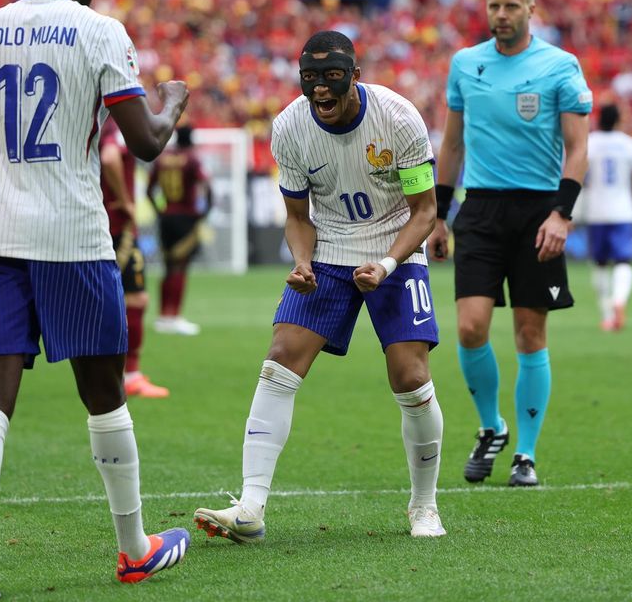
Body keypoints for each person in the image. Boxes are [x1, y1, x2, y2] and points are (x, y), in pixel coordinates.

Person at [0, 0, 191, 599]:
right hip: (72, 237)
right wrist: (170, 105)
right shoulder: (102, 32)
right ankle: (135, 549)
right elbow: (142, 144)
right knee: (103, 393)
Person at [193, 30, 445, 540]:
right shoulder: (288, 127)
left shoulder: (399, 119)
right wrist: (303, 261)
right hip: (328, 250)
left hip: (395, 247)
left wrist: (389, 266)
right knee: (281, 356)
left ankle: (424, 506)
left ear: (355, 75)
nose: (321, 90)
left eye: (332, 77)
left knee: (410, 374)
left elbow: (425, 213)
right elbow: (296, 215)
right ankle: (250, 509)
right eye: (310, 79)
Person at [428, 0, 592, 487]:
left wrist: (562, 214)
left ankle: (525, 454)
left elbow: (578, 146)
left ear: (531, 9)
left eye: (512, 7)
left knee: (529, 332)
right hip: (479, 210)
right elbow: (452, 145)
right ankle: (490, 427)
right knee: (471, 327)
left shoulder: (560, 66)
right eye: (494, 6)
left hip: (538, 212)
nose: (501, 15)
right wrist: (438, 214)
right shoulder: (465, 64)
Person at [99, 119, 168, 397]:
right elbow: (110, 156)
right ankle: (131, 375)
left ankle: (111, 373)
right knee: (135, 299)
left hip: (95, 222)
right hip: (118, 225)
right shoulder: (114, 121)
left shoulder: (93, 121)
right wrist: (126, 200)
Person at [583, 103, 632, 331]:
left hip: (597, 209)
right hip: (623, 209)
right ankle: (619, 301)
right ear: (618, 120)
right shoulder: (629, 144)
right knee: (623, 261)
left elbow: (579, 172)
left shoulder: (591, 142)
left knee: (599, 264)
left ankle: (607, 314)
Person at [146, 124, 212, 335]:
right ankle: (174, 316)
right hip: (185, 217)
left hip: (166, 217)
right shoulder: (191, 159)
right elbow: (207, 186)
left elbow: (149, 190)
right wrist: (204, 212)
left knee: (167, 268)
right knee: (180, 267)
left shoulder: (163, 159)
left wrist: (159, 211)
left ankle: (162, 316)